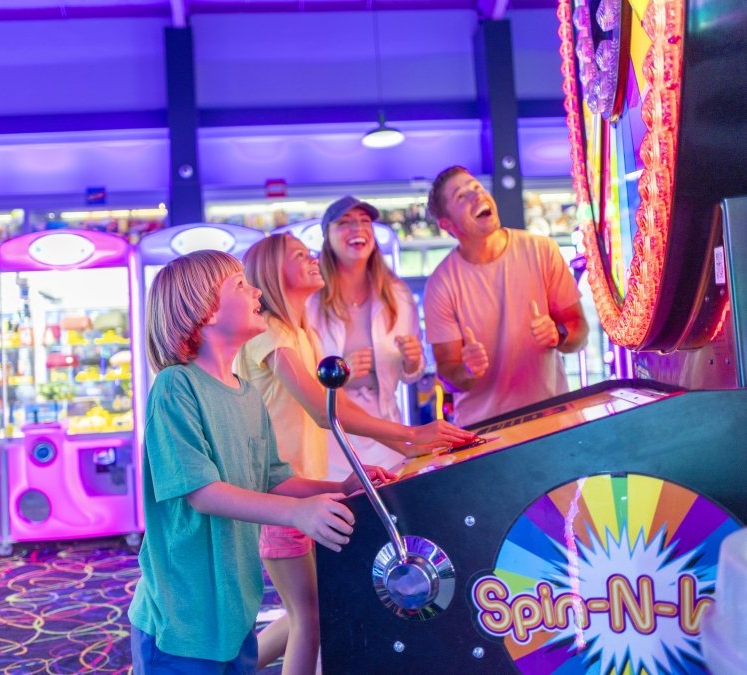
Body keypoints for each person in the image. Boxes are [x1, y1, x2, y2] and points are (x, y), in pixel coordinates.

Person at [127, 249, 392, 674]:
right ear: (205, 311)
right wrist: (297, 514)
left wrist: (339, 489)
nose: (257, 291)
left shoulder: (247, 393)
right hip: (180, 616)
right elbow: (202, 492)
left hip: (233, 605)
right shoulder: (175, 387)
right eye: (240, 285)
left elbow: (273, 478)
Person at [235, 233, 475, 673]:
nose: (312, 260)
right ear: (272, 271)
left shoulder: (296, 332)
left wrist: (403, 439)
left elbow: (334, 406)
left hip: (297, 488)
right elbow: (322, 410)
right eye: (299, 256)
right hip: (279, 493)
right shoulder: (271, 334)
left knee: (306, 611)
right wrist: (407, 434)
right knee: (311, 618)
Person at [424, 166, 589, 427]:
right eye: (461, 196)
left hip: (552, 418)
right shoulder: (440, 284)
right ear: (447, 224)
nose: (476, 196)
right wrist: (466, 370)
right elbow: (446, 372)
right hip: (484, 431)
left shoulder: (541, 250)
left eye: (476, 187)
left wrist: (559, 334)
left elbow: (579, 330)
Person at [308, 195, 427, 480]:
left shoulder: (397, 295)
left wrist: (413, 361)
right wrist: (337, 370)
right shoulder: (310, 298)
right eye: (345, 223)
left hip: (387, 433)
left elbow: (411, 375)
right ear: (327, 237)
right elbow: (295, 376)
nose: (357, 229)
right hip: (332, 435)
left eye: (364, 222)